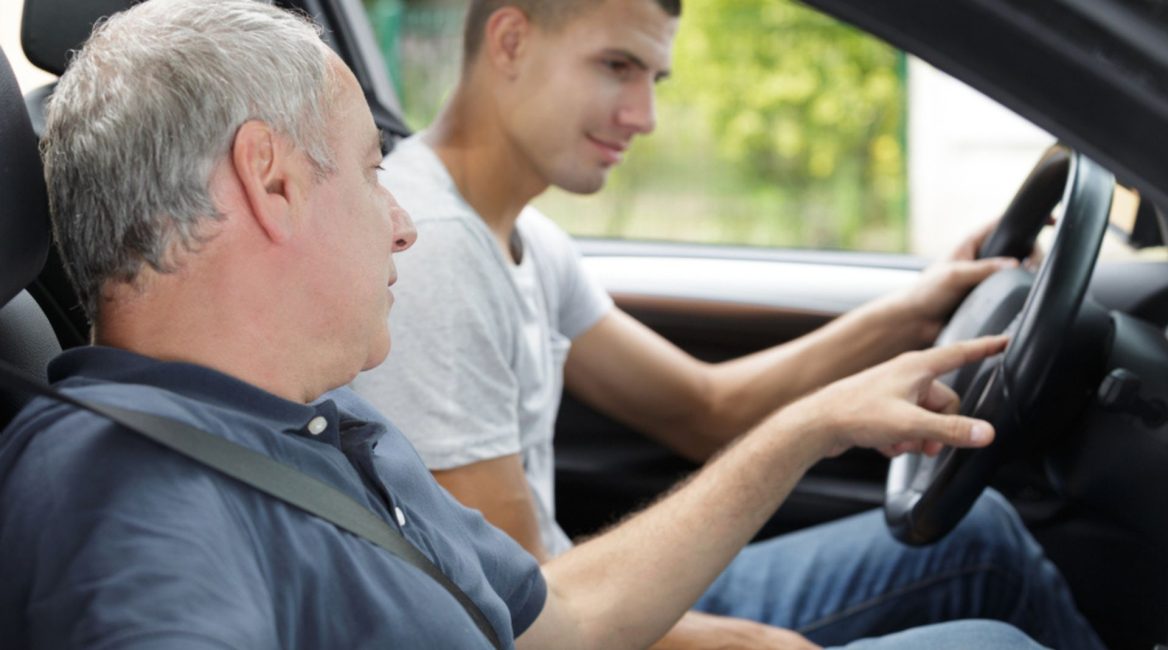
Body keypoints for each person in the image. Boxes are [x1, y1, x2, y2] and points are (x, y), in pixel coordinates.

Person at [0, 0, 1065, 648]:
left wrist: (805, 427)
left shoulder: (321, 430)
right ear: (270, 184)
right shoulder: (122, 502)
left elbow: (567, 622)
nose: (402, 224)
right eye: (374, 173)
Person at [351, 1, 1105, 648]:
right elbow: (520, 617)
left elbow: (704, 408)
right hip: (572, 620)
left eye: (654, 78)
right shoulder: (436, 247)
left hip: (591, 597)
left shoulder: (526, 239)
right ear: (511, 40)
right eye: (617, 66)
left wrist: (915, 309)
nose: (643, 116)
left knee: (984, 537)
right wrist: (745, 639)